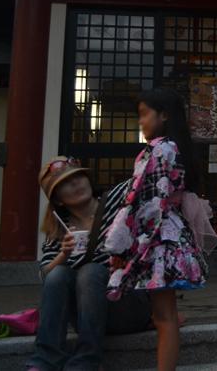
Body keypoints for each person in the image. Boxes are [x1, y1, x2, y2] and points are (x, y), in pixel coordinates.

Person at [104, 89, 208, 371]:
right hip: (172, 234)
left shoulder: (157, 151)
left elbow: (145, 201)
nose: (141, 121)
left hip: (158, 238)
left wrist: (124, 242)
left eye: (143, 114)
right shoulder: (176, 148)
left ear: (163, 115)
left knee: (163, 317)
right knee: (167, 315)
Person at [27, 157, 151, 371]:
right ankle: (45, 360)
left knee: (91, 271)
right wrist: (63, 255)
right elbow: (45, 277)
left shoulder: (117, 200)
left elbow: (147, 176)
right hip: (87, 315)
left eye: (78, 176)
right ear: (57, 199)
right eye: (66, 182)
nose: (75, 183)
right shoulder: (59, 229)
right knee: (58, 274)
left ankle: (87, 361)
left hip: (127, 305)